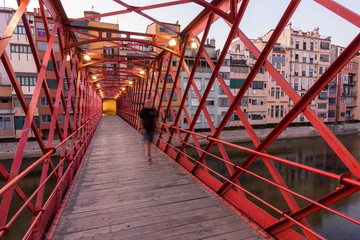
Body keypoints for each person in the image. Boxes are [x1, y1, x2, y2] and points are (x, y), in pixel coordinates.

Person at [139, 98, 157, 164]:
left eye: (149, 102)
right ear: (145, 103)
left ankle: (148, 152)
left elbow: (156, 118)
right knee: (148, 141)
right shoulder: (143, 110)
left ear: (151, 102)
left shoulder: (153, 110)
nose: (148, 103)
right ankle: (149, 155)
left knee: (150, 141)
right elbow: (140, 119)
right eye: (147, 102)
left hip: (152, 128)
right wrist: (140, 127)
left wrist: (158, 126)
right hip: (145, 128)